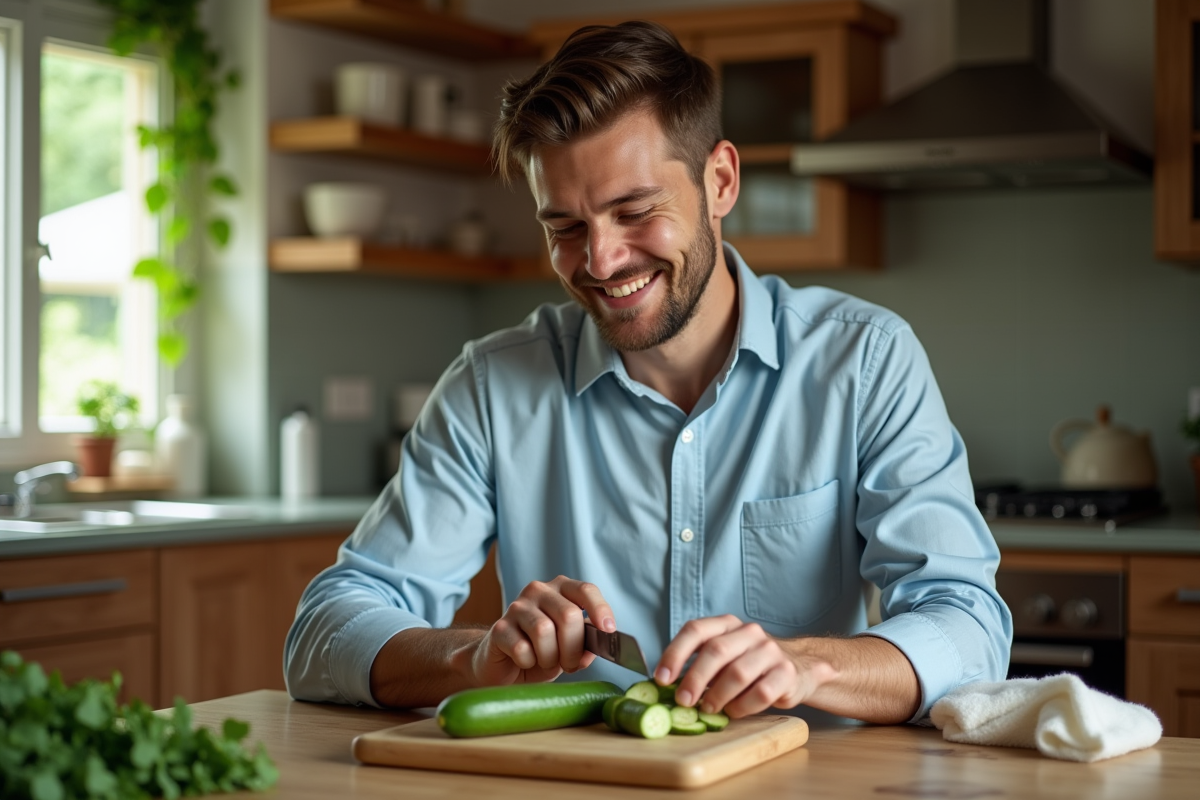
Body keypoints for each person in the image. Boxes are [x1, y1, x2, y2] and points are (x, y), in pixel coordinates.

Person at [284, 21, 1012, 726]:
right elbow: (326, 629)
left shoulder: (865, 362)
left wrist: (808, 666)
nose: (600, 262)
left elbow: (969, 626)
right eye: (565, 228)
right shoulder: (491, 387)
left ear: (720, 180)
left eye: (634, 211)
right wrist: (474, 657)